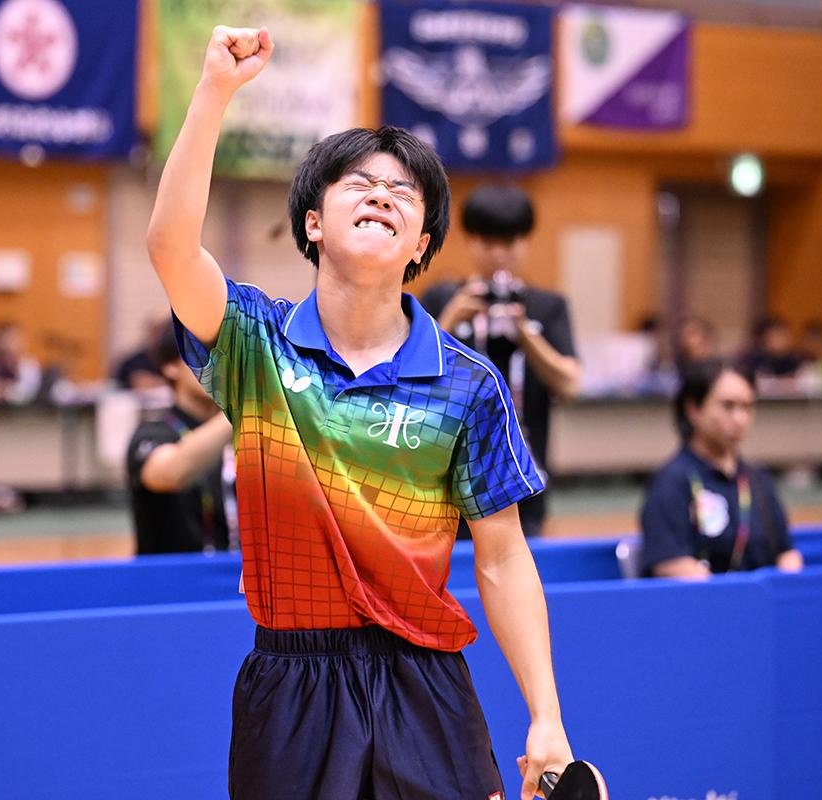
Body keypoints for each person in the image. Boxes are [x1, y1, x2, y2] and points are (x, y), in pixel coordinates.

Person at [147, 26, 582, 800]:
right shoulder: (257, 346)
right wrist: (212, 91)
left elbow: (502, 557)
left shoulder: (468, 384)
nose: (382, 193)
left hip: (425, 682)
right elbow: (172, 250)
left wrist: (546, 715)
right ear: (313, 224)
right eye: (357, 183)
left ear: (422, 245)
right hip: (292, 683)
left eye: (404, 192)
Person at [420, 185, 580, 538]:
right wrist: (449, 320)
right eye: (487, 242)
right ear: (470, 240)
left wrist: (526, 334)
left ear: (525, 241)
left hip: (522, 476)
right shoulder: (442, 299)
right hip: (445, 479)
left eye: (508, 243)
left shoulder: (547, 307)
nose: (497, 254)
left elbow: (569, 384)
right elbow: (408, 378)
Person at [639, 359, 805, 578]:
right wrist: (726, 593)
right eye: (728, 406)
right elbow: (671, 562)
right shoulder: (671, 481)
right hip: (705, 597)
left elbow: (786, 553)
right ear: (693, 410)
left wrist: (788, 580)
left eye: (747, 407)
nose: (740, 418)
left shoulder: (758, 479)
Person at [126, 324, 233, 554]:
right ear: (170, 366)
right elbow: (170, 473)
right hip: (172, 575)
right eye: (204, 353)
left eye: (224, 353)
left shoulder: (249, 433)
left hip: (236, 573)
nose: (217, 365)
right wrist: (241, 409)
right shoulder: (152, 433)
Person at [0, 320, 42, 404]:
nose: (9, 344)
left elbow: (26, 393)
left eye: (14, 339)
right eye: (6, 339)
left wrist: (3, 389)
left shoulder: (28, 364)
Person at [112, 317, 170, 391]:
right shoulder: (133, 361)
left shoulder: (169, 359)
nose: (158, 337)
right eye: (156, 332)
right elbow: (140, 382)